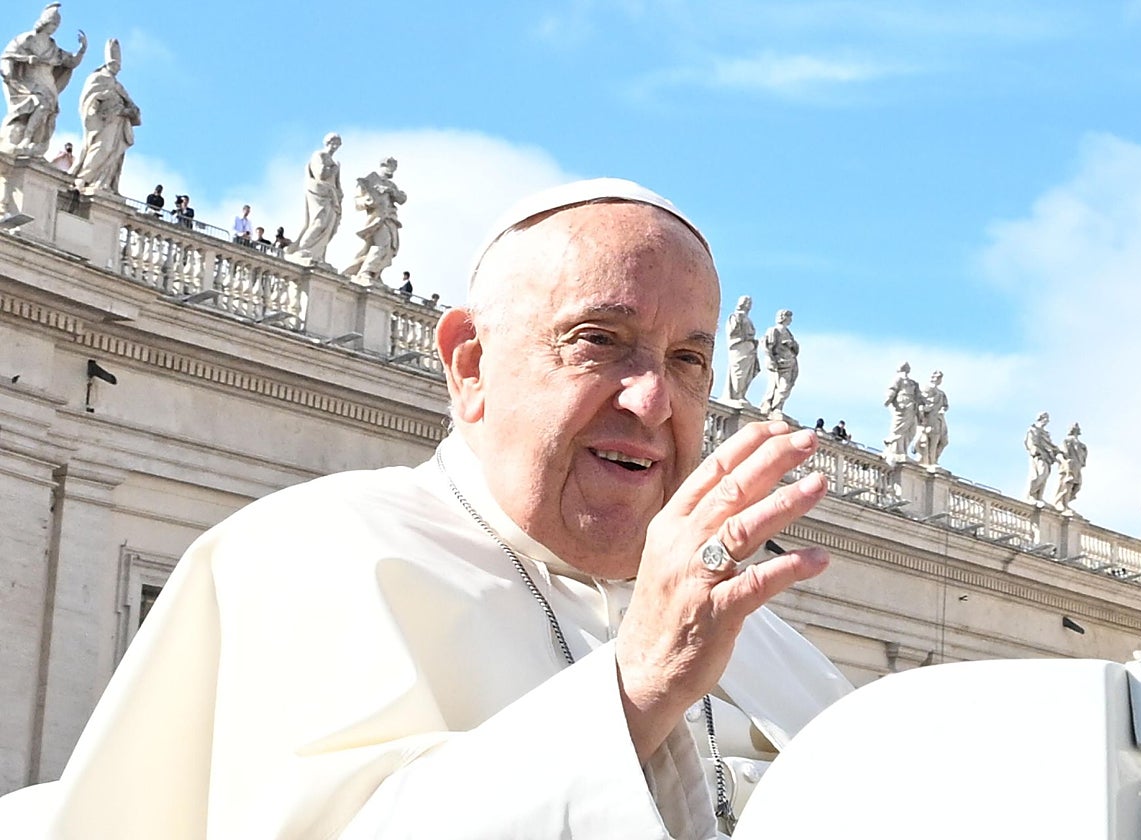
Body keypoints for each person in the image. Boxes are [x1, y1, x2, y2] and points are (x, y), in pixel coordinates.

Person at [0, 178, 851, 838]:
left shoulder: (778, 650)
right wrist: (632, 691)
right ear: (470, 364)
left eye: (689, 360)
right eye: (600, 341)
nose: (654, 400)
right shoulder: (304, 557)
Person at [0, 3, 87, 157]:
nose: (54, 27)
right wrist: (27, 59)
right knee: (41, 104)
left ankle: (34, 141)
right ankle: (26, 138)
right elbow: (7, 56)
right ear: (44, 22)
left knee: (48, 111)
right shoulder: (27, 38)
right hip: (29, 80)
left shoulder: (53, 46)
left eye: (56, 25)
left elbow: (70, 61)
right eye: (52, 23)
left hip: (47, 82)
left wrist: (82, 50)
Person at [69, 38, 140, 194]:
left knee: (112, 153)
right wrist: (96, 108)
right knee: (101, 148)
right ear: (108, 64)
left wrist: (129, 110)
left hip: (118, 125)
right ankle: (83, 178)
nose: (117, 69)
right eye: (114, 65)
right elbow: (88, 99)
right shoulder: (97, 78)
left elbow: (133, 106)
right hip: (103, 123)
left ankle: (102, 182)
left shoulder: (118, 85)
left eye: (118, 67)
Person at [344, 156, 406, 285]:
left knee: (390, 249)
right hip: (377, 219)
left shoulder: (391, 184)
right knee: (382, 244)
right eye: (392, 168)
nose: (393, 171)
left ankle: (374, 272)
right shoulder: (370, 179)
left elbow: (402, 199)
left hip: (390, 219)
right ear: (384, 165)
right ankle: (366, 272)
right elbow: (358, 201)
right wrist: (368, 201)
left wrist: (391, 191)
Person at [290, 132, 342, 264]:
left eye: (337, 143)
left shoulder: (335, 162)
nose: (335, 146)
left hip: (331, 196)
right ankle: (304, 249)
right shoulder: (319, 155)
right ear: (327, 143)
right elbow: (321, 174)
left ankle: (317, 255)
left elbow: (337, 183)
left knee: (328, 227)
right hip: (319, 194)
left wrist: (339, 194)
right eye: (333, 142)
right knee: (318, 222)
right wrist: (333, 169)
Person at [758, 309, 798, 417]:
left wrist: (792, 344)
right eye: (789, 317)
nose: (790, 320)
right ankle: (772, 406)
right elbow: (767, 346)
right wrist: (770, 359)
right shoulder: (774, 330)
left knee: (786, 386)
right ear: (784, 317)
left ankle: (778, 407)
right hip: (779, 362)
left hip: (790, 362)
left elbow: (796, 349)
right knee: (779, 385)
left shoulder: (789, 333)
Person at [882, 361, 922, 467]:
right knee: (899, 428)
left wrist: (921, 409)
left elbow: (919, 397)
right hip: (902, 406)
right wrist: (888, 399)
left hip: (911, 407)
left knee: (911, 430)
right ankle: (897, 450)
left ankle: (902, 450)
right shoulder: (898, 379)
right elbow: (892, 389)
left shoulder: (913, 383)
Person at [724, 295, 758, 404]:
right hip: (739, 347)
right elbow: (732, 332)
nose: (748, 305)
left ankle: (741, 394)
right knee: (738, 371)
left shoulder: (748, 319)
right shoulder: (735, 316)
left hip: (749, 350)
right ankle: (736, 395)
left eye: (750, 303)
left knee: (747, 373)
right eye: (746, 302)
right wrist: (739, 320)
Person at [913, 370, 949, 468]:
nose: (938, 380)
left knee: (943, 441)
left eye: (940, 378)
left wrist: (942, 409)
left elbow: (945, 405)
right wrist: (923, 410)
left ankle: (933, 460)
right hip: (929, 418)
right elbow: (921, 401)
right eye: (937, 377)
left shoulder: (941, 393)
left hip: (938, 419)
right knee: (930, 439)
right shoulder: (926, 388)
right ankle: (930, 461)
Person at [1024, 412, 1059, 503]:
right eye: (1046, 418)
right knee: (1040, 474)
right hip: (1038, 455)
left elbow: (1050, 445)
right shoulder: (1033, 429)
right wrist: (1034, 450)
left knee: (1045, 475)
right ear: (1041, 418)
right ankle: (1031, 494)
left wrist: (1058, 451)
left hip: (1047, 457)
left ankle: (1039, 497)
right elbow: (1030, 442)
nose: (1047, 421)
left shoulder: (1045, 433)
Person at [1052, 422, 1087, 513]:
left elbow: (1083, 459)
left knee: (1076, 486)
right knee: (1066, 484)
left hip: (1077, 467)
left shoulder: (1082, 446)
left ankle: (1065, 503)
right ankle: (1060, 502)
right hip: (1068, 465)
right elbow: (1061, 453)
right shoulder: (1067, 441)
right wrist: (1065, 462)